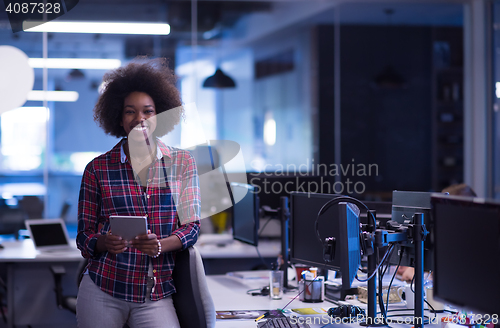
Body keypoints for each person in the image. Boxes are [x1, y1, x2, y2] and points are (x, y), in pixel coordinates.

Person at [76, 58, 201, 328]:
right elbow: (84, 236)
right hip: (104, 289)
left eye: (148, 111)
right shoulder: (97, 169)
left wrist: (160, 245)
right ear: (119, 119)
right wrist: (103, 242)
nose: (140, 119)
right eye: (130, 112)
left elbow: (192, 228)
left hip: (155, 293)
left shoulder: (183, 164)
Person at [396, 183, 477, 282]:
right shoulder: (444, 236)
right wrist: (412, 264)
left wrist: (421, 274)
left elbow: (459, 275)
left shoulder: (476, 241)